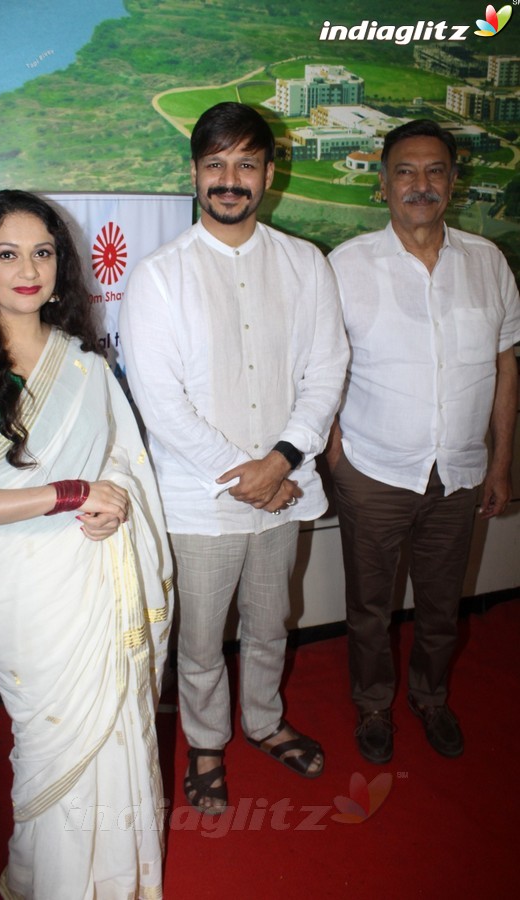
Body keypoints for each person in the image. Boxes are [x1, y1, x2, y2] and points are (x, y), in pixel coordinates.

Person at [0, 190, 173, 899]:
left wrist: (109, 503)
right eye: (7, 253)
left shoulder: (85, 363)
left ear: (61, 265)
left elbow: (119, 460)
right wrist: (65, 496)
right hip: (17, 581)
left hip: (91, 564)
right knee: (49, 737)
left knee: (114, 723)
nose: (28, 268)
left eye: (43, 251)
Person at [120, 102, 348, 814]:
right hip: (200, 501)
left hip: (284, 490)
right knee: (200, 637)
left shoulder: (304, 264)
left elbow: (326, 370)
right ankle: (208, 741)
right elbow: (162, 404)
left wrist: (280, 461)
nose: (230, 179)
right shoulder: (159, 275)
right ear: (194, 173)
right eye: (215, 164)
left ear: (268, 175)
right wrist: (251, 477)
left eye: (245, 163)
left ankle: (264, 721)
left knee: (270, 620)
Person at [326, 119, 520, 764]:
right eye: (405, 171)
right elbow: (321, 367)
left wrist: (500, 465)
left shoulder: (489, 263)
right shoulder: (346, 265)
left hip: (462, 472)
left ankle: (431, 699)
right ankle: (374, 706)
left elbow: (505, 367)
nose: (421, 184)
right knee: (369, 609)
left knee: (443, 606)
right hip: (374, 469)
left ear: (454, 182)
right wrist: (334, 453)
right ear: (382, 185)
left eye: (435, 170)